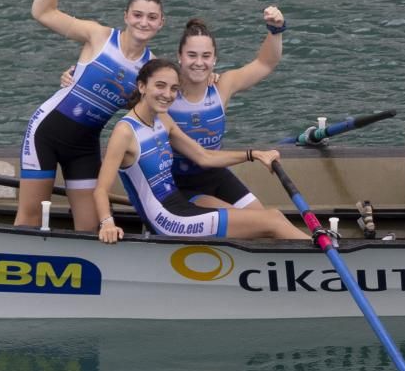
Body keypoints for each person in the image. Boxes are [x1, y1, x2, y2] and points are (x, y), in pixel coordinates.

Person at [18, 0, 163, 230]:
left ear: (160, 23)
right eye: (138, 15)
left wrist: (211, 75)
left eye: (152, 17)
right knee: (30, 220)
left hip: (84, 148)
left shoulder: (151, 69)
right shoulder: (98, 35)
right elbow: (42, 13)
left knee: (88, 229)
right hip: (46, 133)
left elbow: (159, 105)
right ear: (126, 16)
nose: (144, 22)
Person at [94, 60, 307, 242]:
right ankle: (325, 253)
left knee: (253, 218)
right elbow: (101, 189)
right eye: (160, 86)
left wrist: (254, 154)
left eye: (174, 88)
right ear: (142, 86)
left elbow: (203, 157)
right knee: (273, 218)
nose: (167, 95)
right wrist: (107, 223)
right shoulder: (125, 131)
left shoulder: (163, 119)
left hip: (181, 205)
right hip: (167, 220)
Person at [168, 10, 287, 207]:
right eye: (192, 55)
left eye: (206, 56)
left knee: (260, 216)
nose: (199, 63)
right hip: (178, 184)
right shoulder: (166, 91)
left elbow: (266, 63)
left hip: (216, 174)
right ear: (179, 56)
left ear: (214, 59)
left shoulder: (223, 85)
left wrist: (275, 30)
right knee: (240, 219)